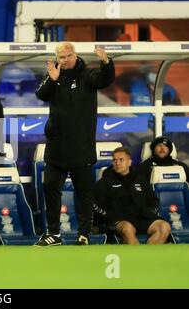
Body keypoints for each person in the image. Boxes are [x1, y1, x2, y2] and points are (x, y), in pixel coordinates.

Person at [34, 41, 115, 246]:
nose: (66, 60)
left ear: (75, 55)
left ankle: (84, 234)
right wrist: (52, 80)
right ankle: (54, 234)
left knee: (84, 193)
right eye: (62, 57)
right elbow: (41, 94)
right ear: (57, 58)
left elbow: (105, 79)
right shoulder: (54, 75)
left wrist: (106, 62)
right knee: (50, 188)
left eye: (69, 55)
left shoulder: (86, 75)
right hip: (56, 148)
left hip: (81, 147)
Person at [94, 147, 171, 244]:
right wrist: (108, 217)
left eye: (121, 160)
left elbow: (153, 201)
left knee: (164, 227)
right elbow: (94, 205)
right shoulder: (104, 182)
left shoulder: (140, 180)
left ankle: (149, 257)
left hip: (142, 217)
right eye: (114, 160)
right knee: (127, 228)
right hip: (120, 221)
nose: (117, 163)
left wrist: (149, 212)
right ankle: (138, 258)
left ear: (129, 162)